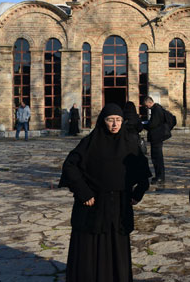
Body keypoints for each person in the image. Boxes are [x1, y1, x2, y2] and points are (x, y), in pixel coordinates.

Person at [59, 103, 151, 282]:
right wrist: (83, 192)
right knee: (90, 249)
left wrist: (138, 193)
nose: (115, 124)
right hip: (94, 205)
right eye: (110, 120)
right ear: (103, 121)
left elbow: (143, 172)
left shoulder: (129, 143)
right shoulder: (90, 143)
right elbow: (70, 166)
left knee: (116, 248)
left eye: (118, 120)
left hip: (119, 206)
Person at [143, 96, 168, 186]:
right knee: (156, 158)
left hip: (157, 137)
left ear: (149, 102)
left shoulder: (156, 110)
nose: (146, 107)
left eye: (146, 105)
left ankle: (160, 177)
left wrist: (144, 125)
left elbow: (153, 124)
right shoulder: (156, 109)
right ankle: (158, 176)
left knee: (157, 158)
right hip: (157, 137)